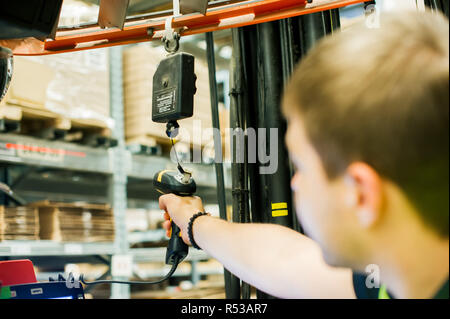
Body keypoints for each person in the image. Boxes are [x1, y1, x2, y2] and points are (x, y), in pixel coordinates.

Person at [158, 9, 449, 299]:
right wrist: (195, 222)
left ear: (360, 193)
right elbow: (284, 261)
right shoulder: (399, 276)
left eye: (301, 168)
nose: (294, 182)